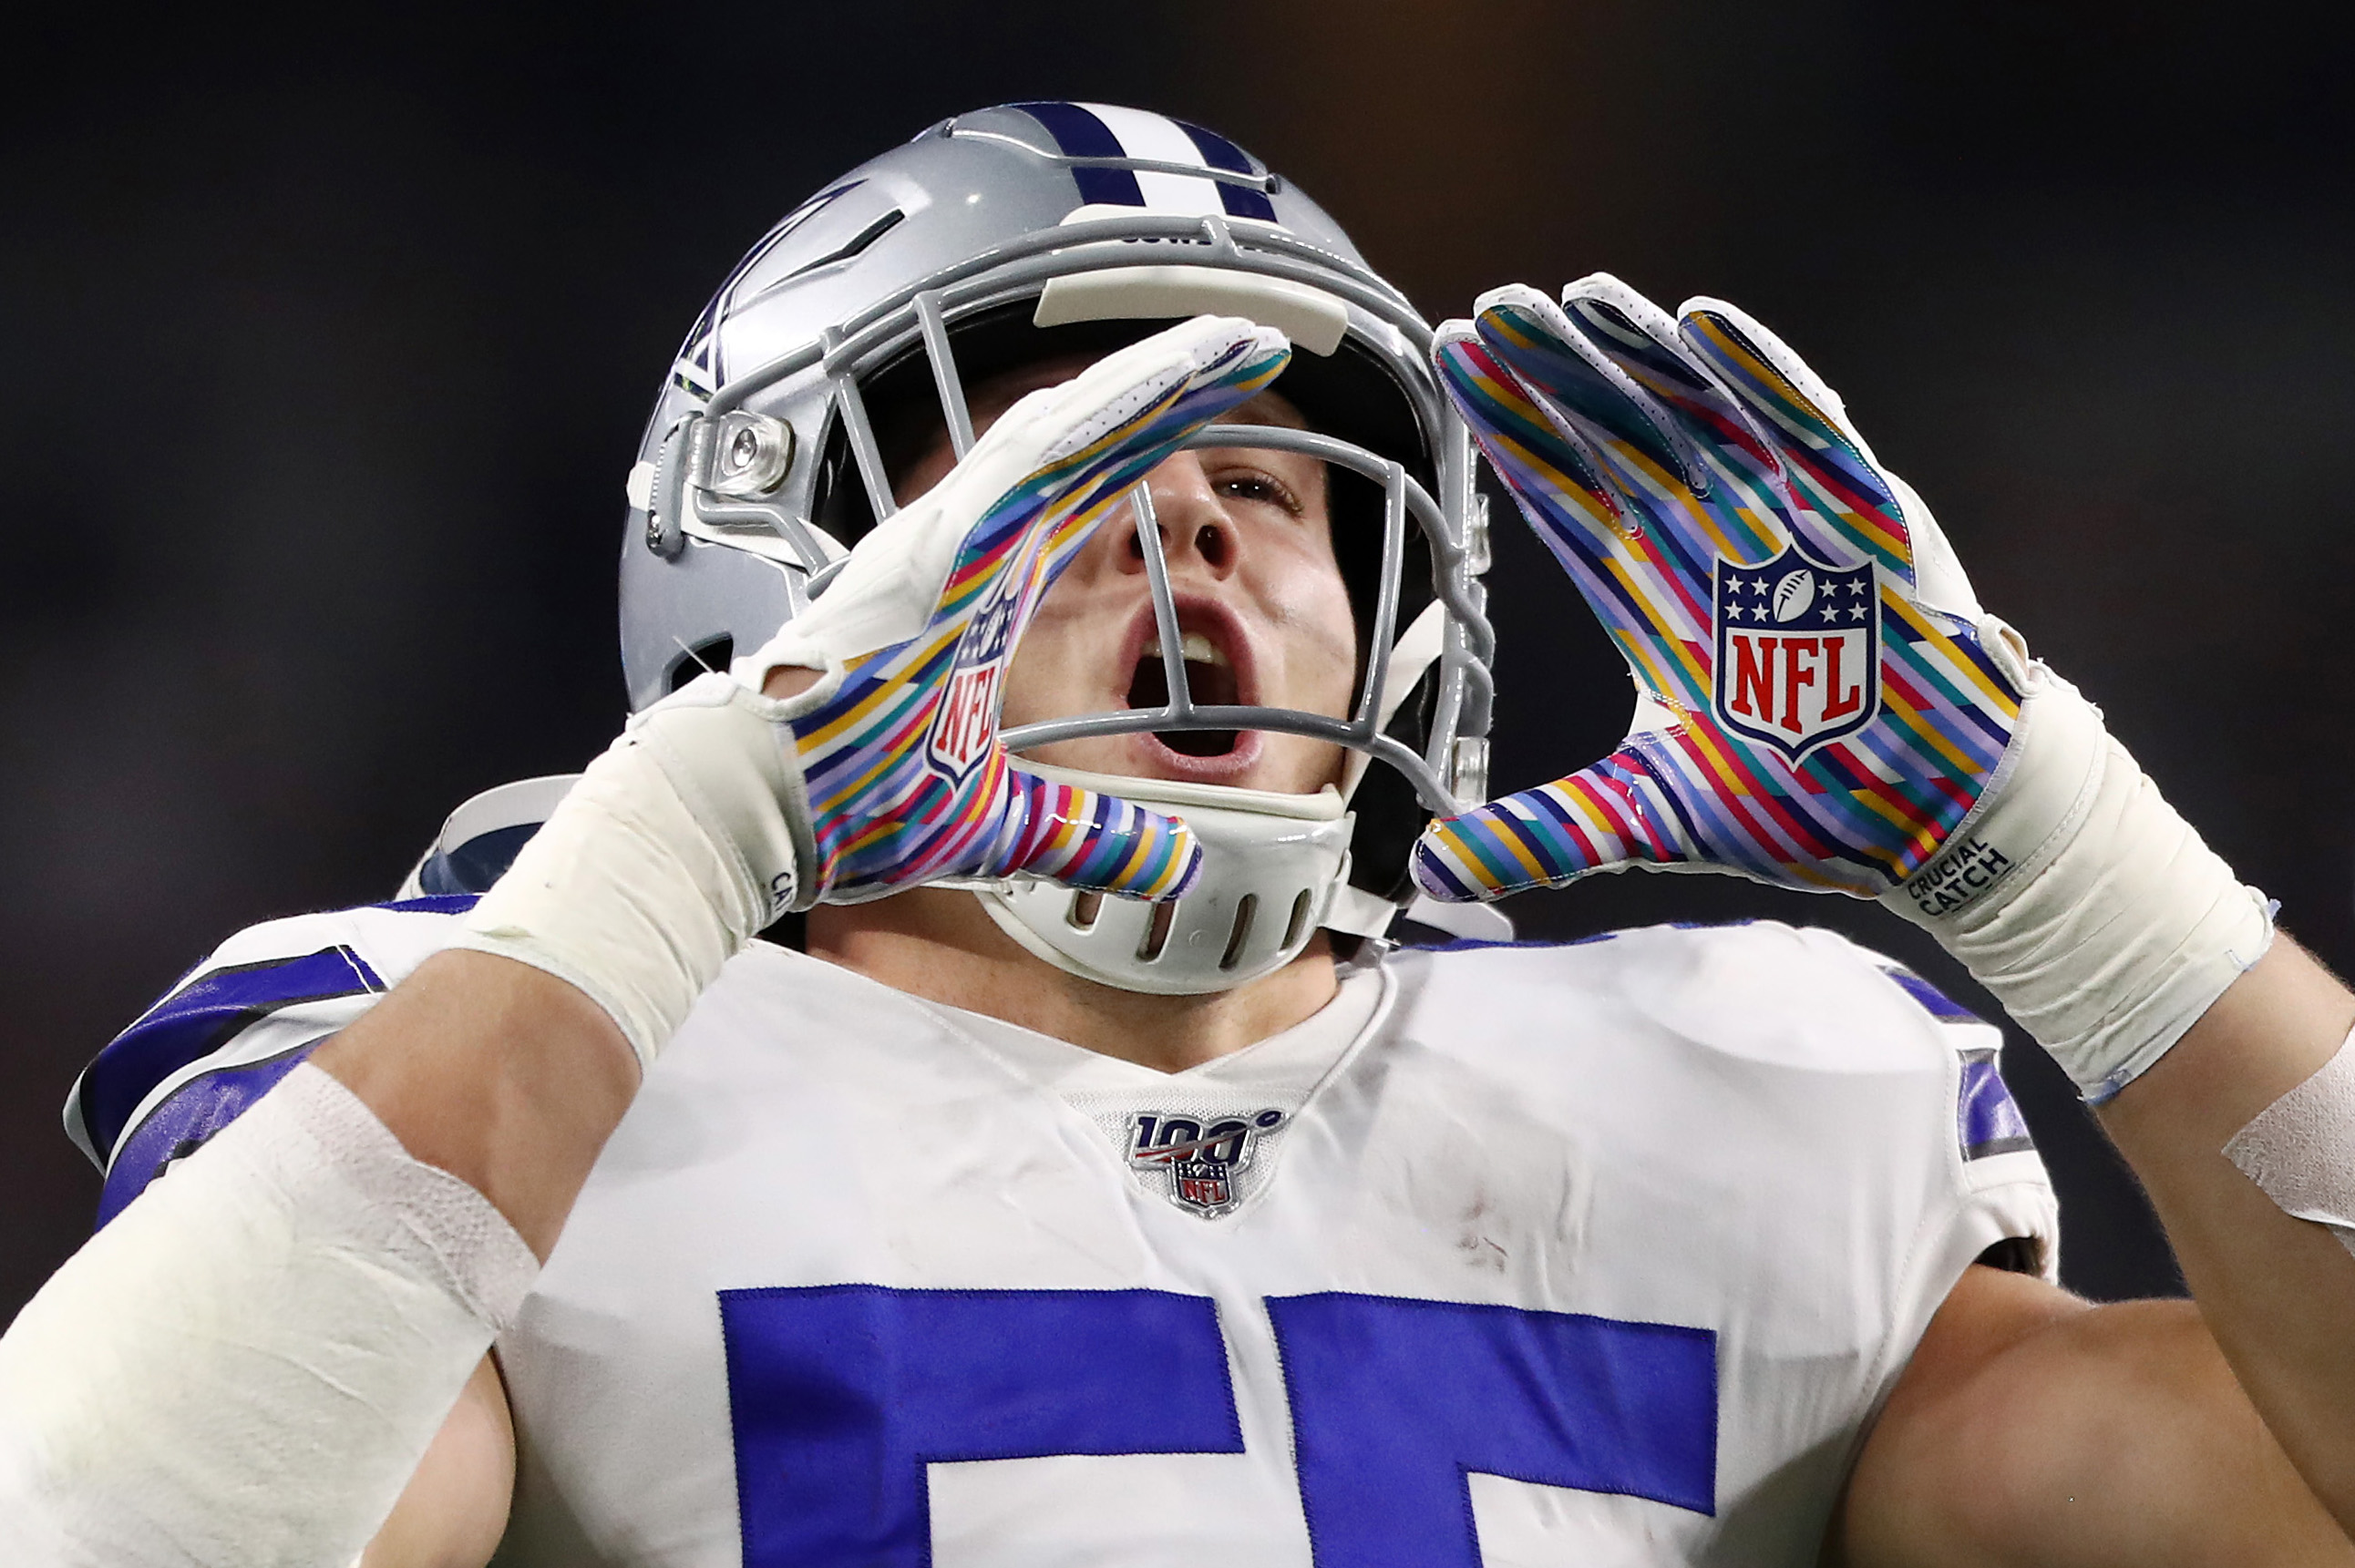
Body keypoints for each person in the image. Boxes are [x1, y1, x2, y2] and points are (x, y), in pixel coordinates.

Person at [3, 100, 2351, 1568]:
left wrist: (2073, 876)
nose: (1198, 542)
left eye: (1267, 489)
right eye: (1071, 487)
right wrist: (703, 829)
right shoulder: (480, 1068)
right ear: (778, 578)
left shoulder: (1747, 1087)